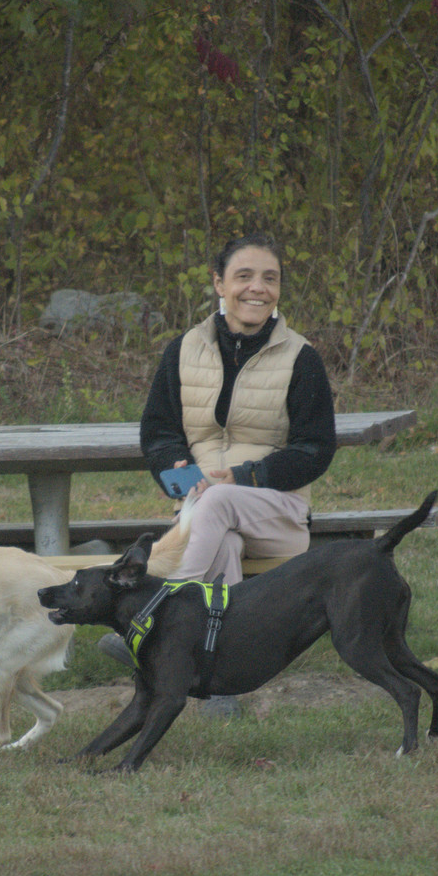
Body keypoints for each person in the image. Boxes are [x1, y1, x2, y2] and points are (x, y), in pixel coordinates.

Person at [97, 232, 337, 680]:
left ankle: (152, 615)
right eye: (244, 276)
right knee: (223, 544)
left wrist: (246, 476)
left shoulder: (301, 358)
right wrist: (178, 473)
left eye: (270, 278)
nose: (257, 288)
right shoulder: (183, 350)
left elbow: (316, 449)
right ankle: (218, 673)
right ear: (219, 284)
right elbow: (159, 434)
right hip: (199, 512)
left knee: (220, 500)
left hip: (278, 515)